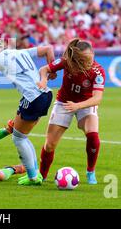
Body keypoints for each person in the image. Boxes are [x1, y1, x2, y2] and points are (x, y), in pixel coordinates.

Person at [0, 34, 56, 186]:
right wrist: (52, 71)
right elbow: (48, 49)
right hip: (45, 94)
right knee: (21, 135)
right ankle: (34, 174)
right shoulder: (19, 51)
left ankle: (33, 177)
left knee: (18, 138)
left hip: (34, 97)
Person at [37, 38, 106, 185]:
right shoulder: (66, 62)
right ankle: (41, 176)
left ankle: (90, 171)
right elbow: (44, 69)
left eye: (90, 57)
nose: (89, 61)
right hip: (64, 103)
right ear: (77, 59)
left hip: (85, 104)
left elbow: (97, 99)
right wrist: (43, 80)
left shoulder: (97, 71)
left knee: (93, 135)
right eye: (85, 59)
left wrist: (78, 106)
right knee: (50, 145)